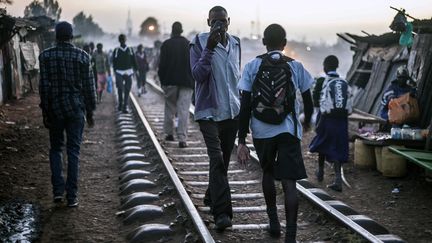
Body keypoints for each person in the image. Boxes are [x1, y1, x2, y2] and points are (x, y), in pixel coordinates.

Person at [237, 24, 314, 243]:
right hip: (288, 130)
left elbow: (244, 106)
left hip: (261, 131)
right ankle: (291, 236)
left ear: (264, 42)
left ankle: (273, 223)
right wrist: (306, 122)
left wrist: (241, 139)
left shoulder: (253, 66)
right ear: (284, 43)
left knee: (268, 173)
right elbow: (309, 101)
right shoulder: (296, 67)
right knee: (290, 183)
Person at [190, 6, 241, 231]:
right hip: (209, 112)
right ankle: (222, 213)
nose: (219, 25)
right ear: (208, 22)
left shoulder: (236, 43)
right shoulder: (198, 43)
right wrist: (209, 49)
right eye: (214, 22)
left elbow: (235, 76)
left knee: (224, 161)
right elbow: (198, 75)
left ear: (229, 21)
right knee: (217, 158)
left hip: (231, 111)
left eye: (222, 21)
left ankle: (212, 195)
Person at [38, 21, 96, 207]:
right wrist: (90, 111)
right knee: (73, 151)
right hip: (76, 109)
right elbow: (89, 87)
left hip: (55, 109)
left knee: (55, 149)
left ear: (56, 36)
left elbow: (43, 86)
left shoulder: (45, 56)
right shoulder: (83, 56)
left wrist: (45, 110)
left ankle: (57, 192)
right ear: (72, 36)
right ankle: (72, 197)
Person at [309, 55, 351, 192]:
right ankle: (338, 179)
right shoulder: (343, 82)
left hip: (326, 118)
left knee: (322, 143)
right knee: (338, 147)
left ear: (325, 66)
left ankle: (320, 172)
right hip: (342, 120)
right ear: (337, 66)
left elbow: (316, 100)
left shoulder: (322, 81)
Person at [158, 22, 194, 148]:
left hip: (170, 81)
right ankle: (182, 139)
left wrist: (162, 81)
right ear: (182, 30)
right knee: (183, 110)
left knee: (169, 107)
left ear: (172, 31)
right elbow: (193, 65)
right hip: (186, 82)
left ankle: (169, 134)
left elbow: (161, 65)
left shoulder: (166, 45)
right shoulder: (189, 44)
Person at [112, 34, 138, 113]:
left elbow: (134, 60)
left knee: (127, 89)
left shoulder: (130, 49)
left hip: (129, 72)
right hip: (119, 72)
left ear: (125, 40)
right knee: (120, 88)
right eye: (121, 39)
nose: (122, 41)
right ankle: (120, 104)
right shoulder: (116, 50)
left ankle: (125, 105)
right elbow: (114, 62)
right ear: (119, 40)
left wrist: (136, 70)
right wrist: (115, 71)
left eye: (123, 39)